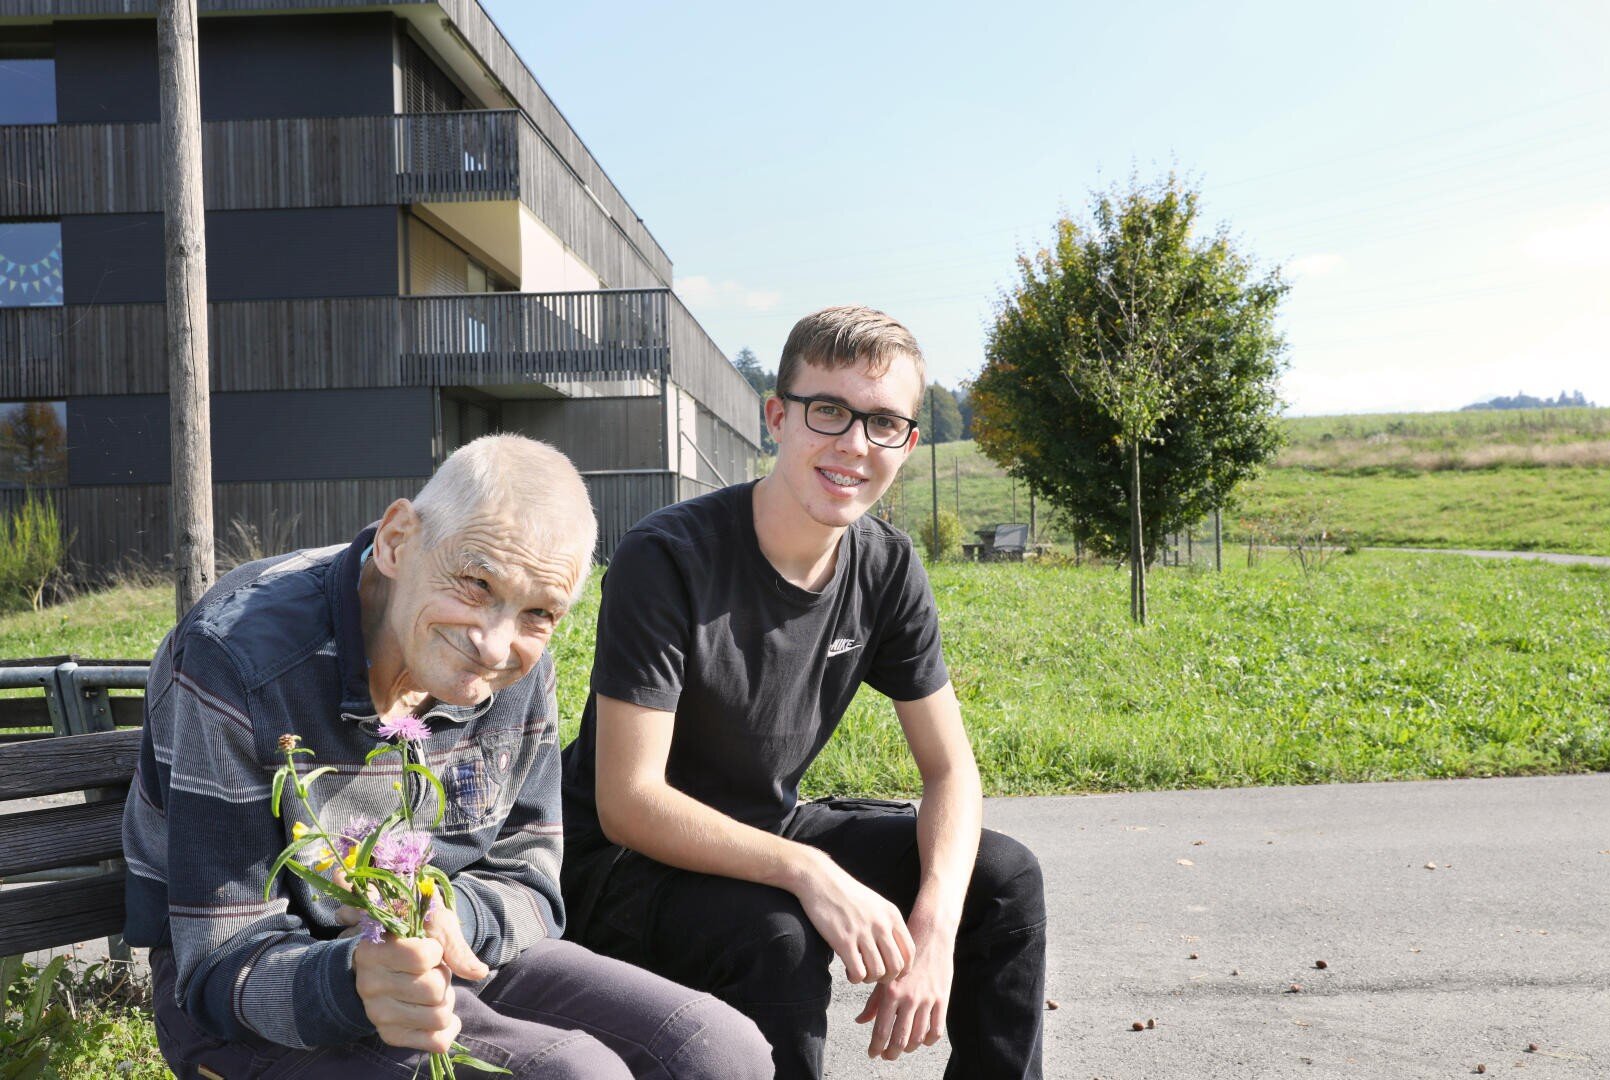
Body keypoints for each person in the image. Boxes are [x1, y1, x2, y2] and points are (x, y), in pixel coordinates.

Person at [123, 435, 772, 1080]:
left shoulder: (519, 669)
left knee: (717, 1051)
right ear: (399, 540)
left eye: (539, 612)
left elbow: (530, 878)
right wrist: (352, 981)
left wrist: (445, 912)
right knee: (573, 1074)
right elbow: (218, 958)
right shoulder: (238, 656)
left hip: (441, 951)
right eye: (476, 582)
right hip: (246, 995)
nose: (496, 646)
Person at [560, 306, 1047, 1079]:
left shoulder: (886, 567)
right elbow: (628, 800)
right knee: (778, 932)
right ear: (778, 417)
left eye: (884, 422)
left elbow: (951, 771)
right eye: (830, 412)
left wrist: (935, 929)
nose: (855, 445)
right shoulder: (668, 559)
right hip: (621, 866)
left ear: (909, 442)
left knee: (1002, 880)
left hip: (767, 827)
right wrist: (812, 872)